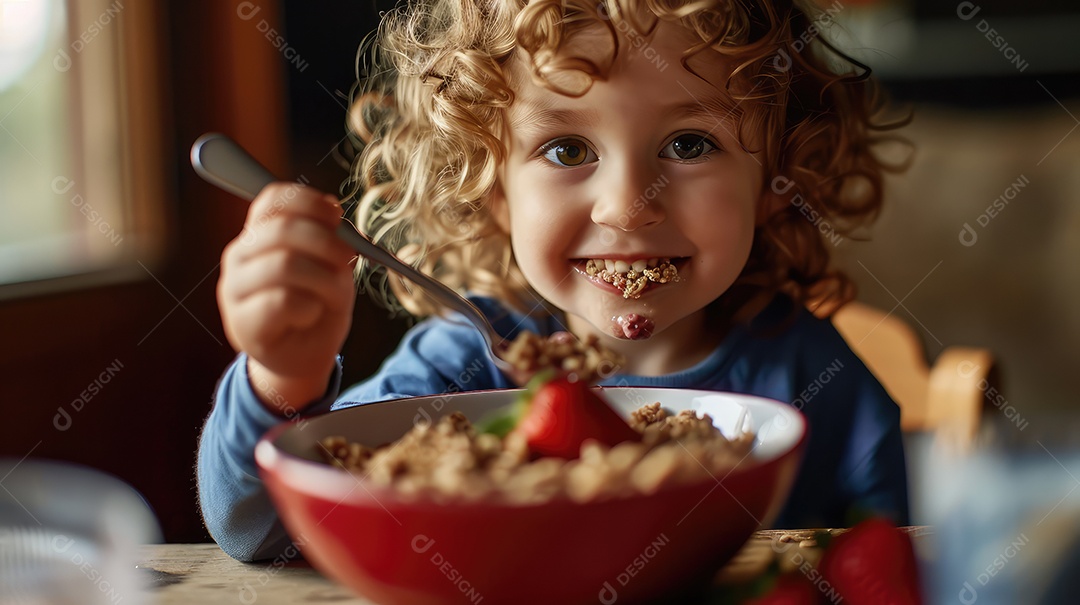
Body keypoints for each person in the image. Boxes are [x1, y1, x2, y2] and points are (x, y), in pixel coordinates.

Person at [198, 0, 911, 562]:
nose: (628, 207)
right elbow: (264, 531)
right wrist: (282, 376)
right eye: (567, 147)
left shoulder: (821, 383)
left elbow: (906, 566)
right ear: (493, 187)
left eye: (690, 144)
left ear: (775, 180)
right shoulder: (460, 367)